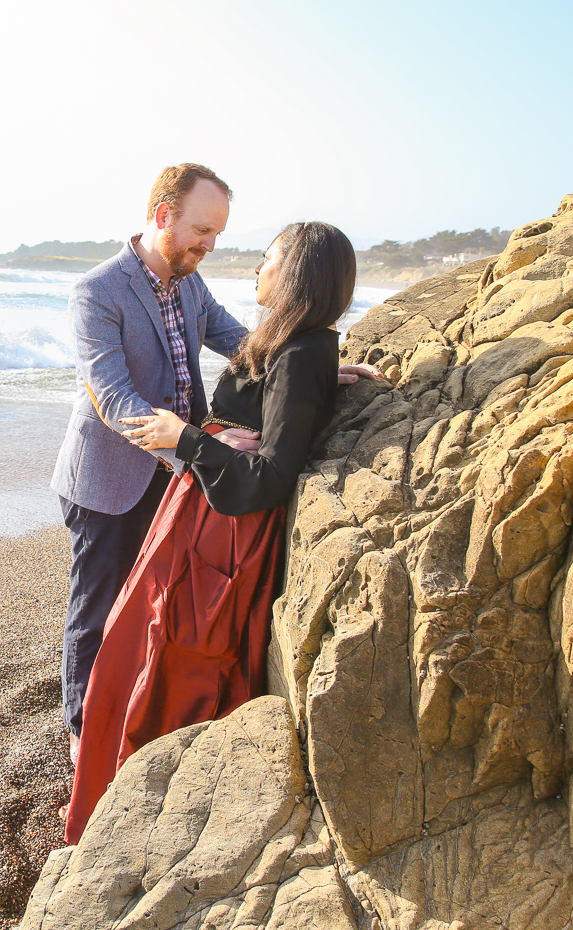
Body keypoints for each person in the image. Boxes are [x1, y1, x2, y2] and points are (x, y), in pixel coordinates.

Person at [50, 167, 375, 767]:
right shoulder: (97, 292)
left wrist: (316, 377)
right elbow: (113, 399)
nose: (210, 246)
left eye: (217, 234)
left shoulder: (190, 286)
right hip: (112, 481)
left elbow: (244, 344)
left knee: (146, 611)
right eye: (202, 230)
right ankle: (81, 736)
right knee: (97, 612)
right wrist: (192, 451)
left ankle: (131, 718)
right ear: (163, 214)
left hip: (177, 477)